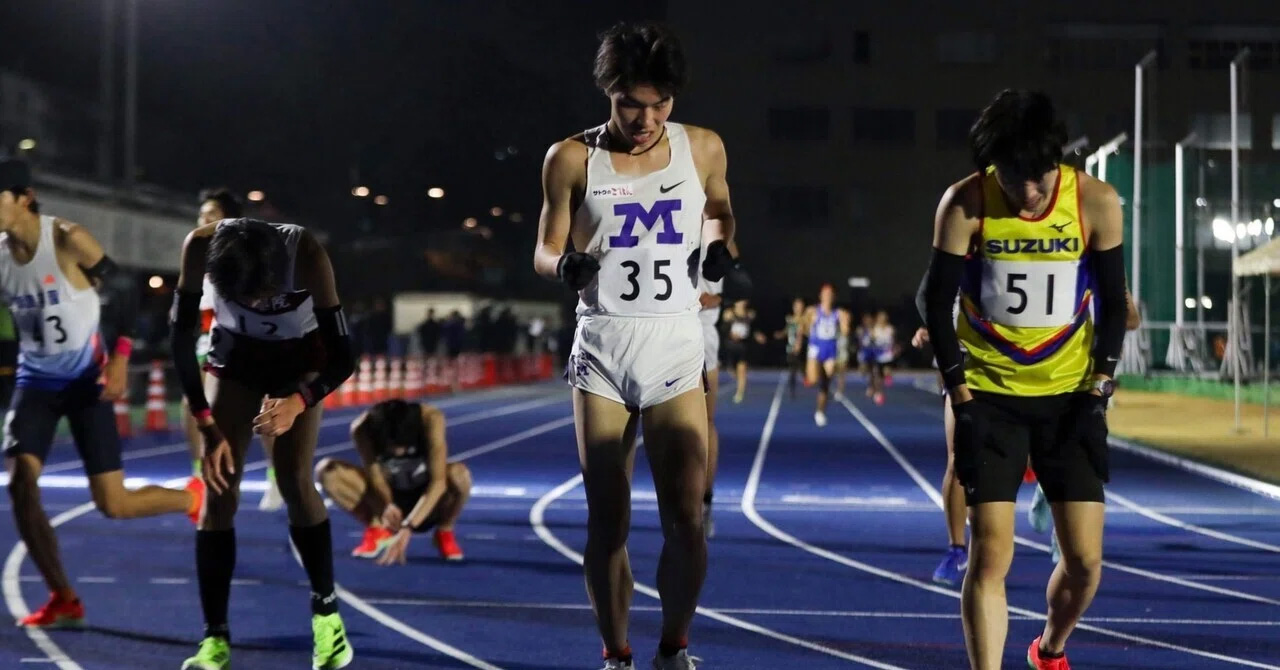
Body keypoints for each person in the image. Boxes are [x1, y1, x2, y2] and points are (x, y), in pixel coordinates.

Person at [533, 20, 747, 670]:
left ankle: (675, 647)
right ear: (609, 92)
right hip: (603, 344)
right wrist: (561, 267)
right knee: (609, 521)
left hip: (676, 342)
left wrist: (718, 248)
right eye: (633, 104)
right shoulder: (570, 158)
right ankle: (617, 653)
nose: (647, 118)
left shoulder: (703, 146)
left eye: (660, 104)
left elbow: (721, 207)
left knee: (687, 515)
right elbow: (545, 246)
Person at [919, 89, 1128, 670]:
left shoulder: (1095, 201)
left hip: (1068, 400)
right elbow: (936, 303)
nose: (1029, 194)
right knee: (990, 557)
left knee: (1086, 563)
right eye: (1014, 179)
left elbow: (1114, 302)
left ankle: (1049, 649)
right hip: (991, 396)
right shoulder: (965, 203)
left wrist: (1100, 386)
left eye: (1038, 178)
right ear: (993, 167)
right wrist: (962, 396)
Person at [0, 158, 204, 628]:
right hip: (34, 383)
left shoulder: (68, 239)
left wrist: (119, 356)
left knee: (113, 504)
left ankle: (192, 499)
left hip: (85, 383)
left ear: (24, 197)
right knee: (20, 486)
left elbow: (127, 289)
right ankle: (63, 596)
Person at [171, 217, 356, 670]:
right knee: (218, 486)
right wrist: (205, 422)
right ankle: (215, 638)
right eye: (242, 297)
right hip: (236, 357)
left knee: (294, 480)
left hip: (301, 359)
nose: (255, 304)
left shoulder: (306, 254)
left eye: (262, 296)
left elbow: (345, 356)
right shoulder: (198, 246)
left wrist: (300, 400)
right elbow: (178, 339)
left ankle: (327, 617)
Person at [184, 188, 283, 512]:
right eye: (201, 215)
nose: (204, 221)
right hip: (214, 335)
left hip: (254, 335)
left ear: (230, 218)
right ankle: (201, 473)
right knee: (193, 402)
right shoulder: (198, 251)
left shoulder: (250, 246)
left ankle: (276, 475)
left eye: (211, 214)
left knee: (263, 411)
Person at [1028, 289, 1142, 564]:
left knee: (1083, 456)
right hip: (1049, 373)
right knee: (1045, 444)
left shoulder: (1102, 272)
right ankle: (1046, 489)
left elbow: (1132, 319)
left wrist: (1096, 319)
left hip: (1089, 382)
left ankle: (1061, 531)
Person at [314, 399, 471, 563]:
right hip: (388, 493)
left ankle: (444, 531)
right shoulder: (362, 429)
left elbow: (438, 483)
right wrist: (388, 505)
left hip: (427, 497)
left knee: (460, 474)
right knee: (328, 471)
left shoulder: (432, 420)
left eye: (403, 446)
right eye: (392, 447)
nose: (398, 453)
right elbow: (374, 475)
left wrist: (408, 527)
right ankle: (379, 529)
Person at [696, 252, 723, 539]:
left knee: (704, 422)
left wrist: (713, 298)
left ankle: (704, 502)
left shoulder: (718, 226)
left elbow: (739, 284)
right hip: (655, 331)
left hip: (700, 334)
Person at [802, 284, 850, 427]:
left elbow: (845, 331)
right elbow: (804, 327)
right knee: (813, 379)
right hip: (816, 348)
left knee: (825, 384)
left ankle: (820, 411)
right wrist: (808, 325)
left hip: (830, 350)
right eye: (825, 294)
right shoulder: (812, 311)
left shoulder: (839, 313)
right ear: (821, 296)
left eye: (830, 294)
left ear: (834, 297)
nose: (828, 297)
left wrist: (845, 323)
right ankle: (811, 375)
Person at [722, 299, 756, 404]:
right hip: (731, 346)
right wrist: (730, 334)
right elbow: (723, 329)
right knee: (732, 371)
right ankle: (738, 380)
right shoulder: (729, 313)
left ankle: (740, 393)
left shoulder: (750, 314)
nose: (741, 303)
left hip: (743, 346)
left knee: (742, 370)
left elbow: (752, 329)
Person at [773, 297, 806, 400]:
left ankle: (809, 380)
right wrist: (780, 334)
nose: (798, 308)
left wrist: (799, 344)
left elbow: (800, 333)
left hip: (802, 347)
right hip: (791, 347)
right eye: (796, 306)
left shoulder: (804, 319)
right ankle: (793, 392)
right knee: (792, 370)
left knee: (803, 368)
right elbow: (787, 331)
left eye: (800, 306)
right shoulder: (790, 319)